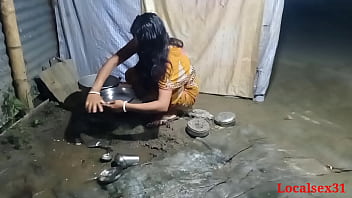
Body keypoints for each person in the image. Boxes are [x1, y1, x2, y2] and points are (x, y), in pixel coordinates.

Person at [85, 13, 199, 125]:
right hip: (161, 78)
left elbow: (162, 104)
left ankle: (172, 111)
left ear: (149, 42)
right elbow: (115, 60)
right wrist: (94, 91)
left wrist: (125, 106)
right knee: (131, 74)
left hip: (184, 93)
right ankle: (149, 101)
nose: (136, 42)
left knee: (160, 105)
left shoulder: (170, 61)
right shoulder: (143, 40)